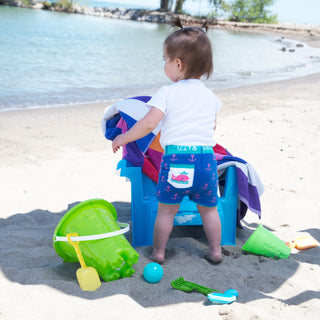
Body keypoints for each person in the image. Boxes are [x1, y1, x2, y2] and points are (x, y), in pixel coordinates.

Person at [112, 18, 223, 265]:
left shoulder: (167, 93)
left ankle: (159, 253)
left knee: (166, 211)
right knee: (209, 210)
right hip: (205, 159)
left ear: (178, 64)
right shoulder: (210, 96)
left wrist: (123, 136)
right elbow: (211, 126)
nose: (164, 65)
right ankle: (215, 250)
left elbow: (148, 124)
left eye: (165, 60)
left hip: (176, 160)